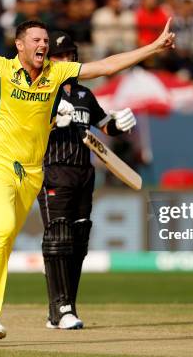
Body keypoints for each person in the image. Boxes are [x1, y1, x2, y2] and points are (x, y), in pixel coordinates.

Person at [0, 0, 175, 339]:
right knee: (4, 229)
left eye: (45, 40)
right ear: (19, 45)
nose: (43, 45)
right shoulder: (1, 70)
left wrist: (152, 48)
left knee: (0, 238)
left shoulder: (56, 74)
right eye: (36, 40)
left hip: (34, 172)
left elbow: (105, 66)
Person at [37, 31, 137, 330]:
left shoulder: (84, 95)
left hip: (84, 172)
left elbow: (103, 126)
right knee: (58, 239)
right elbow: (28, 129)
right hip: (54, 169)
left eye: (69, 56)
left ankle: (65, 309)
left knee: (79, 242)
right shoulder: (41, 90)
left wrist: (118, 125)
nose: (65, 60)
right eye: (58, 57)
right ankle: (61, 308)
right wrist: (52, 121)